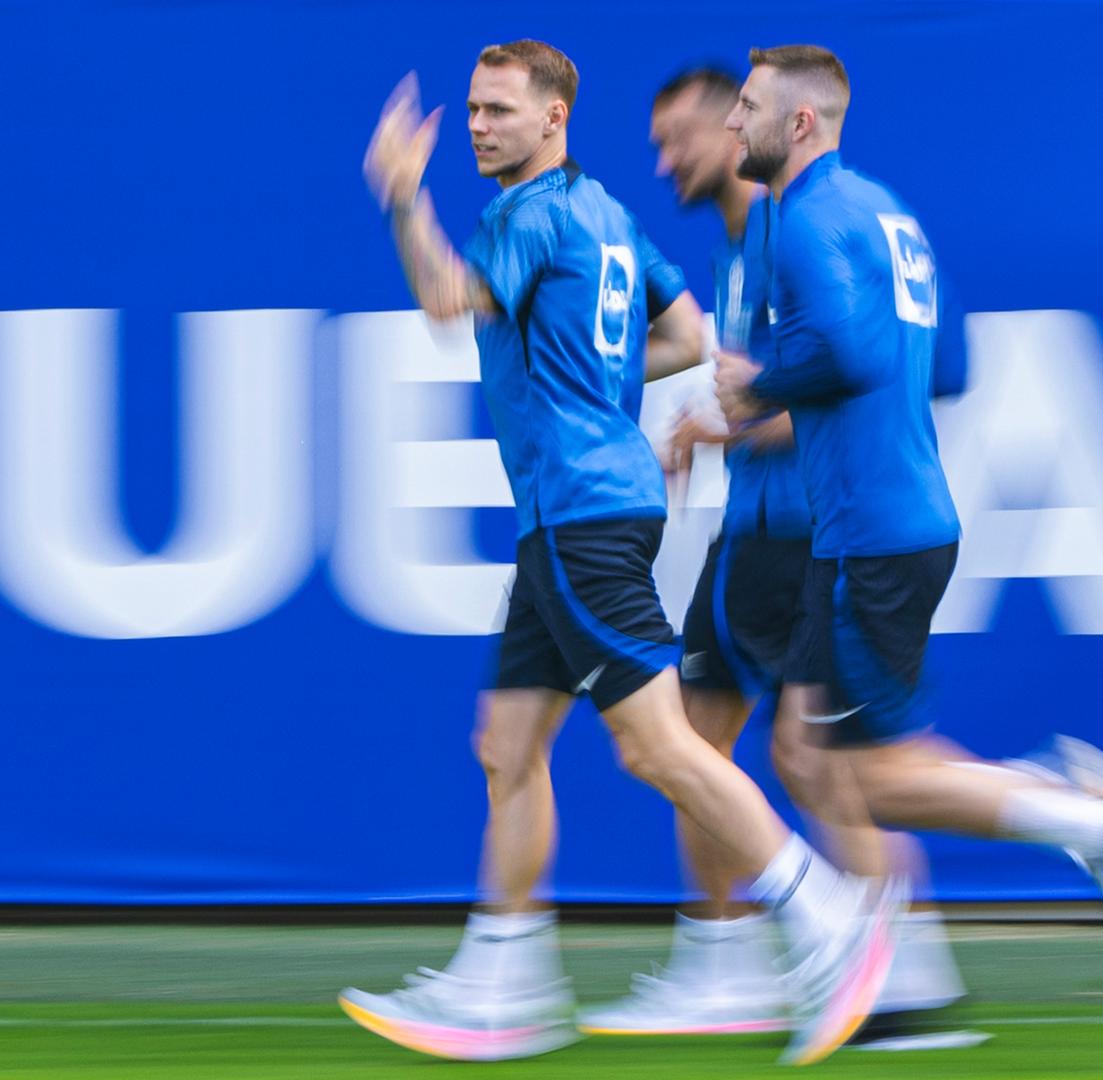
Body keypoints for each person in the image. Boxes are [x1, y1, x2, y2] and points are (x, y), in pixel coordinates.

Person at [339, 40, 896, 1067]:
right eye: (471, 108)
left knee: (659, 747)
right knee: (507, 744)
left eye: (500, 109)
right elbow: (686, 336)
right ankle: (503, 980)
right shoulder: (603, 215)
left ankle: (826, 918)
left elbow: (442, 300)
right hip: (572, 512)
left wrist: (401, 197)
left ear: (554, 119)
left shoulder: (530, 213)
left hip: (584, 517)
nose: (477, 125)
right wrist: (595, 379)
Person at [712, 44, 1103, 960]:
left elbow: (849, 354)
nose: (729, 124)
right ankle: (903, 976)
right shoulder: (884, 210)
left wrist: (758, 383)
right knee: (815, 757)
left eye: (745, 107)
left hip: (872, 532)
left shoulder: (803, 219)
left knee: (867, 778)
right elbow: (946, 364)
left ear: (800, 124)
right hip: (889, 522)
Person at [575, 65, 980, 1049]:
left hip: (811, 529)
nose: (665, 159)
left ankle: (894, 968)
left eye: (684, 135)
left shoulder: (800, 224)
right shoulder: (761, 230)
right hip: (756, 530)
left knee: (809, 760)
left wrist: (753, 413)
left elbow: (926, 365)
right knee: (712, 743)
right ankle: (748, 963)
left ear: (742, 128)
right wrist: (720, 419)